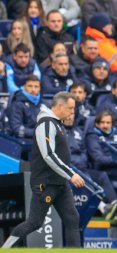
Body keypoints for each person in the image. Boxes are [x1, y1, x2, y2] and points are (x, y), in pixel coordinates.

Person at [1, 92, 85, 249]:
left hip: (59, 182)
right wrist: (71, 174)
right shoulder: (46, 123)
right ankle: (4, 249)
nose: (73, 112)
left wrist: (66, 176)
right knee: (34, 222)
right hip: (45, 183)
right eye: (71, 108)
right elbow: (48, 155)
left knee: (72, 218)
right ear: (59, 106)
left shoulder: (57, 123)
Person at [63, 113, 117, 221]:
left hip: (83, 167)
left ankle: (115, 205)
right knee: (85, 180)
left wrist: (82, 159)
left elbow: (83, 150)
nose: (69, 117)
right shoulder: (58, 130)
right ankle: (104, 208)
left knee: (101, 175)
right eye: (67, 115)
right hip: (69, 169)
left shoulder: (78, 131)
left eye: (72, 115)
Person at [85, 110, 117, 182]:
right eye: (102, 122)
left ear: (112, 124)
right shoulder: (92, 137)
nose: (105, 125)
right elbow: (99, 159)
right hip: (104, 171)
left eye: (108, 123)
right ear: (97, 124)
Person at [9, 75, 44, 139]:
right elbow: (16, 128)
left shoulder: (44, 104)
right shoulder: (17, 103)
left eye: (36, 86)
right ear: (24, 87)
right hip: (23, 141)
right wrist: (38, 133)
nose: (33, 89)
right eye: (30, 86)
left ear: (40, 88)